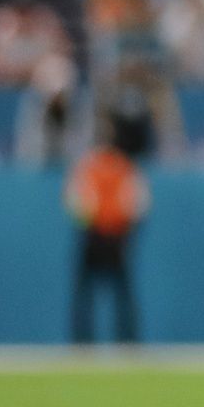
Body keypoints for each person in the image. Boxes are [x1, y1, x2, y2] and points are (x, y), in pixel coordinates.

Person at [64, 118, 148, 343]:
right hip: (116, 236)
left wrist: (90, 222)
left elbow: (76, 202)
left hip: (95, 235)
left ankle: (83, 341)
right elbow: (138, 203)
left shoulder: (88, 166)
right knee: (120, 294)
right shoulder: (123, 166)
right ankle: (126, 341)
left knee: (89, 293)